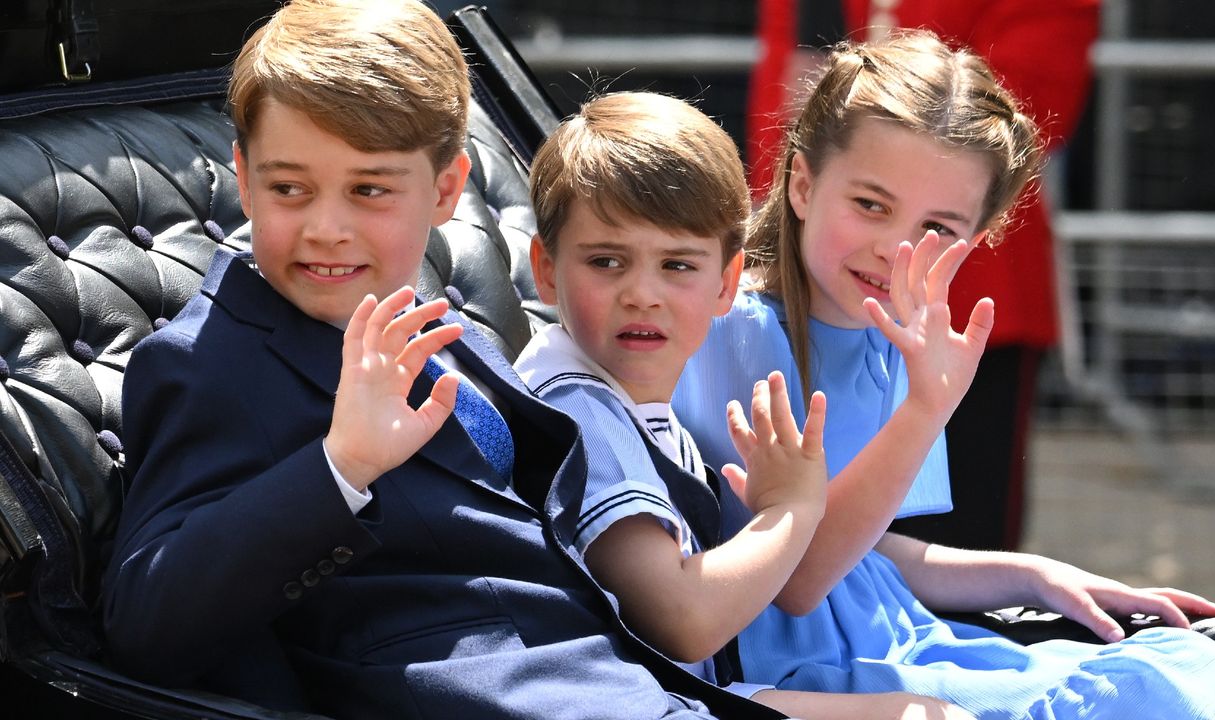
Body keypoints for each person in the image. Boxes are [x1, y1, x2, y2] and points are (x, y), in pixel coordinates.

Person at [99, 2, 787, 718]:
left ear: (447, 190)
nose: (326, 228)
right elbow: (144, 623)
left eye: (369, 190)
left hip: (619, 678)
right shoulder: (208, 362)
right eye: (288, 189)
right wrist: (341, 466)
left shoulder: (437, 323)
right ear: (243, 179)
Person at [673, 29, 1215, 719]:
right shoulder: (735, 331)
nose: (896, 248)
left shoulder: (894, 341)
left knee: (1191, 665)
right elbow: (802, 579)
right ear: (803, 184)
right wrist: (924, 409)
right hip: (812, 672)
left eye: (939, 228)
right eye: (870, 204)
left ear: (980, 238)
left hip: (909, 640)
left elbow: (867, 556)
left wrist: (1033, 573)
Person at [514, 90, 975, 720]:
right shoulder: (582, 411)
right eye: (606, 262)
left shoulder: (625, 394)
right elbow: (686, 623)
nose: (642, 294)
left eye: (677, 265)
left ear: (726, 283)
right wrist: (793, 507)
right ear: (546, 269)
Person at [748, 0, 1100, 551]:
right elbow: (789, 93)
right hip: (822, 266)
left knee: (962, 530)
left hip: (968, 296)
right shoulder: (733, 324)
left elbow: (1028, 102)